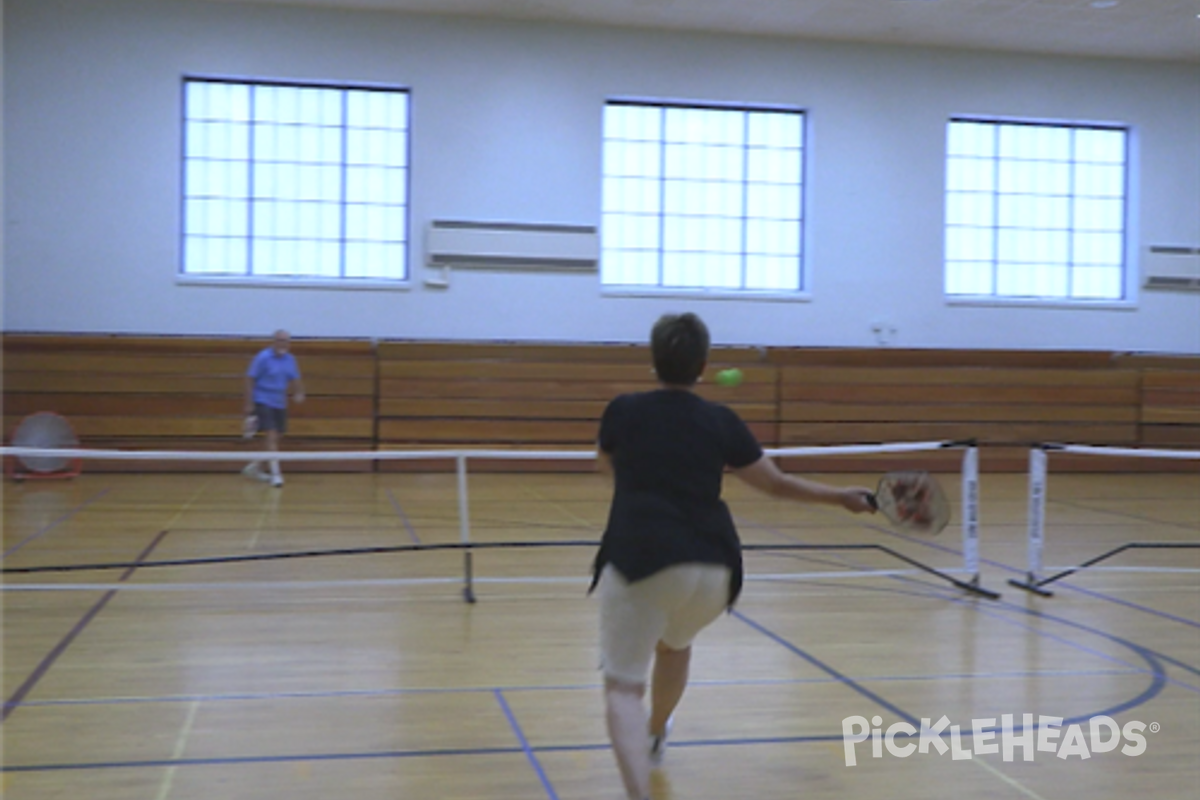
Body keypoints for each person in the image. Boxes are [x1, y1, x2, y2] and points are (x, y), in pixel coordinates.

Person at [591, 312, 876, 800]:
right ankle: (656, 734)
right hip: (713, 570)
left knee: (622, 689)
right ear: (702, 364)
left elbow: (607, 464)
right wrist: (840, 497)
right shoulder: (720, 419)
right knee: (674, 647)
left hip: (643, 559)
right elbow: (777, 484)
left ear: (653, 359)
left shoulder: (623, 410)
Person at [243, 330, 304, 488]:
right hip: (263, 400)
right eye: (280, 340)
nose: (283, 344)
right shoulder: (263, 357)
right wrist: (249, 404)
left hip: (280, 402)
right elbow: (250, 378)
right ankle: (276, 474)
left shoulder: (290, 360)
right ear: (274, 342)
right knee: (270, 435)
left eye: (285, 341)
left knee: (277, 436)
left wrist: (298, 393)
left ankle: (255, 467)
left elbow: (295, 379)